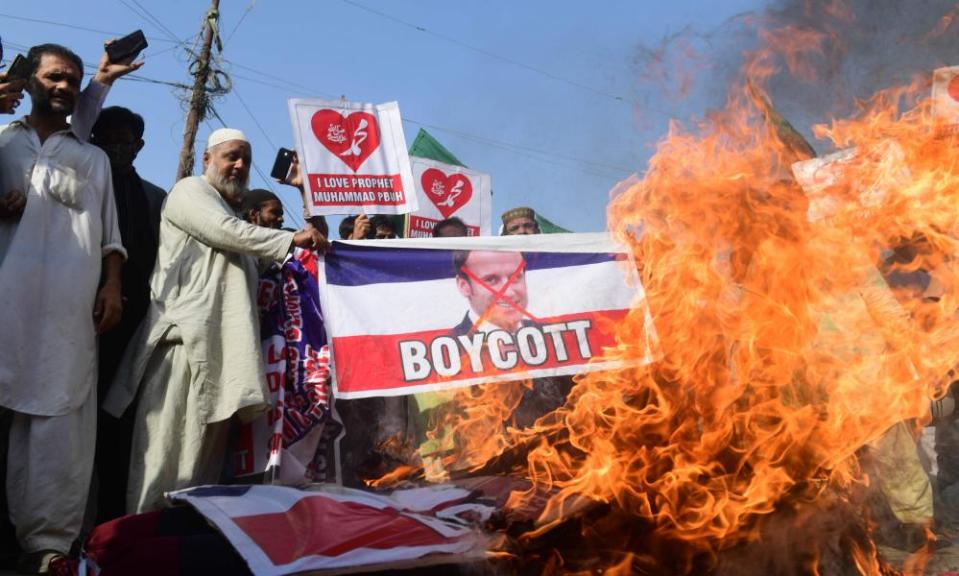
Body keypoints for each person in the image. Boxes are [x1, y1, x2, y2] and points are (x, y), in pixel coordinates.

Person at [103, 128, 328, 514]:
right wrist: (291, 239)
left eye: (246, 159)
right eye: (231, 156)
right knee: (163, 460)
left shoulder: (238, 223)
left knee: (201, 473)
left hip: (223, 359)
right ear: (208, 159)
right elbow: (230, 234)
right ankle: (141, 546)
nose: (239, 166)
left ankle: (178, 550)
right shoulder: (191, 192)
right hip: (183, 350)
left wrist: (307, 194)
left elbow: (297, 259)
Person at [0, 43, 127, 573]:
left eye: (73, 80)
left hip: (66, 313)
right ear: (30, 81)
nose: (64, 86)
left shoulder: (91, 156)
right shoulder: (3, 142)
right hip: (6, 304)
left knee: (59, 428)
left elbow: (110, 235)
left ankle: (49, 546)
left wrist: (112, 284)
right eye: (55, 77)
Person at [89, 105, 166, 524]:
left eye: (126, 141)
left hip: (135, 326)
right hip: (80, 317)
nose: (118, 148)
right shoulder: (84, 182)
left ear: (139, 147)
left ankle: (112, 521)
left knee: (120, 424)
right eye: (109, 139)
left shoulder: (156, 198)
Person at [451, 250, 531, 336]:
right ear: (464, 286)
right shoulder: (451, 344)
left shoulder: (544, 332)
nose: (508, 293)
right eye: (490, 280)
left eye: (515, 277)